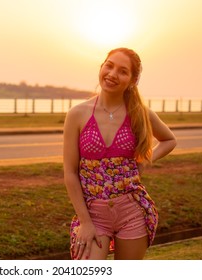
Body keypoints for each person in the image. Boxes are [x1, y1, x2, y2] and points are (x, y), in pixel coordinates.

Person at [63, 47, 177, 260]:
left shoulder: (140, 114)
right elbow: (70, 172)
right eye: (109, 65)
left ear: (132, 80)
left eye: (123, 71)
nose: (113, 74)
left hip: (132, 211)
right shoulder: (77, 114)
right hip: (93, 213)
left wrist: (144, 161)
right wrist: (85, 223)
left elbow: (169, 140)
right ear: (102, 67)